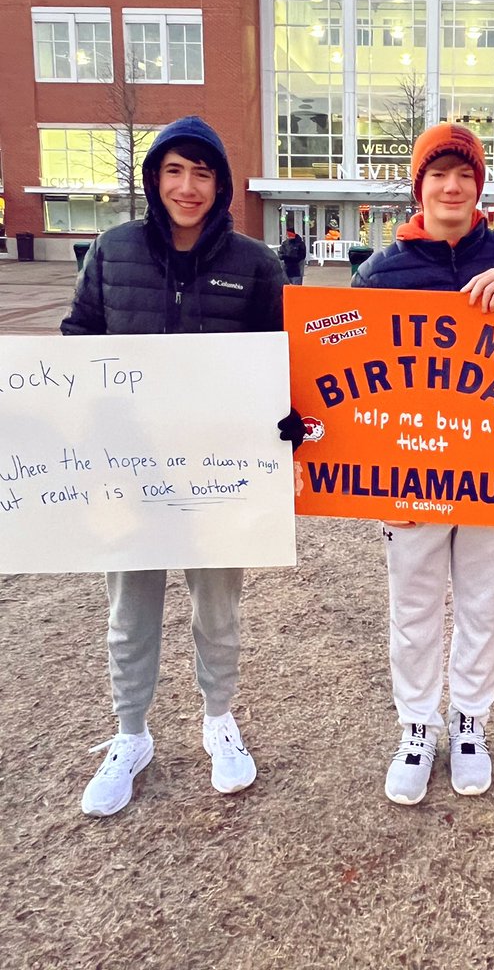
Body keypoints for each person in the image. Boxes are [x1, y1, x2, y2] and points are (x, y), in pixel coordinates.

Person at [61, 115, 304, 818]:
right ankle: (130, 734)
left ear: (221, 185)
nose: (188, 186)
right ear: (155, 179)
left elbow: (280, 360)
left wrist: (284, 421)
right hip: (129, 471)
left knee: (217, 608)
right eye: (174, 170)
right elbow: (79, 336)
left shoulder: (255, 264)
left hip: (217, 474)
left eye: (202, 172)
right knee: (129, 609)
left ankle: (218, 719)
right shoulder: (112, 251)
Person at [353, 122, 494, 806]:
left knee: (482, 602)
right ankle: (418, 725)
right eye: (439, 174)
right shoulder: (381, 272)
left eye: (464, 174)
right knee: (413, 606)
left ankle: (470, 721)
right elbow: (343, 376)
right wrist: (360, 466)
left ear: (479, 186)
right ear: (420, 186)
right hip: (409, 473)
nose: (452, 186)